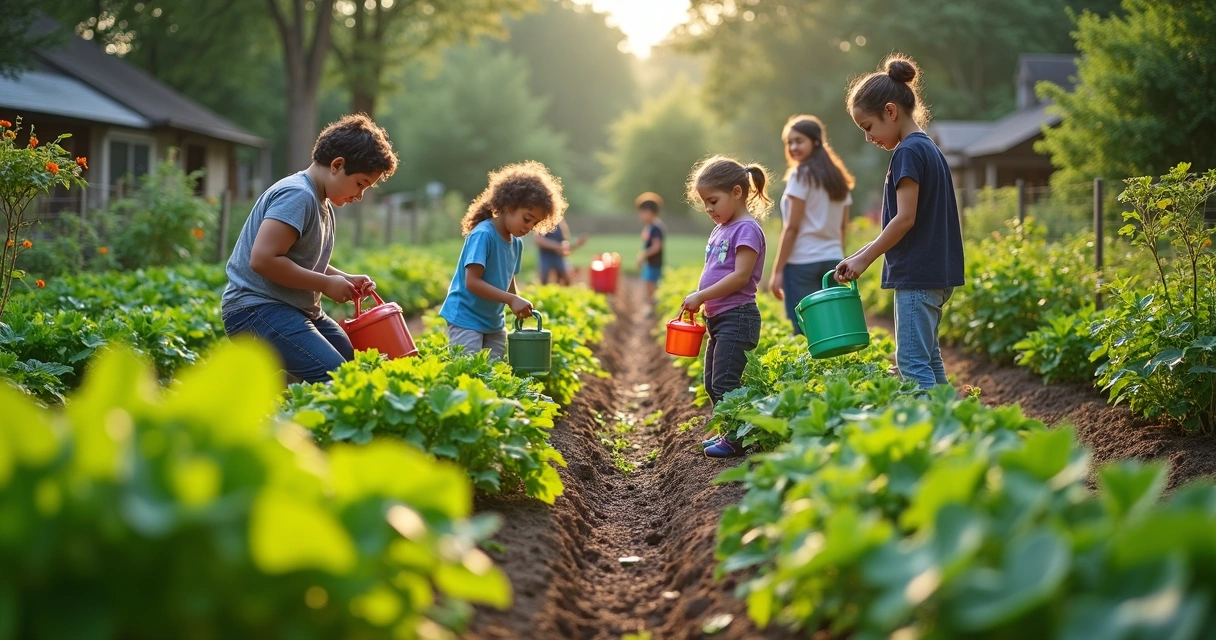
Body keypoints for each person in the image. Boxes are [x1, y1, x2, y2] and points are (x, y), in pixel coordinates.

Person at [222, 113, 397, 384]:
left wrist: (343, 278)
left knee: (354, 364)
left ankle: (275, 388)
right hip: (256, 309)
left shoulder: (322, 202)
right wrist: (325, 284)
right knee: (337, 378)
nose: (360, 195)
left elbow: (301, 259)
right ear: (337, 165)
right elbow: (264, 260)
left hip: (296, 310)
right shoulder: (298, 195)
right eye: (361, 184)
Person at [835, 54, 964, 391]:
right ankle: (953, 428)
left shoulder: (908, 152)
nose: (868, 137)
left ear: (890, 112)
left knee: (911, 364)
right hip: (935, 273)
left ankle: (929, 439)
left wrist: (865, 257)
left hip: (917, 276)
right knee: (930, 360)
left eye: (868, 127)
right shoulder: (929, 149)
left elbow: (904, 219)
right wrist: (857, 254)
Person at [679, 156, 770, 458]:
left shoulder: (746, 229)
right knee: (710, 382)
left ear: (736, 192)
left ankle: (737, 438)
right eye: (705, 203)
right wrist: (703, 300)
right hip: (718, 318)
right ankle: (727, 432)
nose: (709, 209)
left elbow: (740, 276)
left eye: (713, 201)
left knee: (725, 382)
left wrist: (702, 295)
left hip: (738, 316)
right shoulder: (722, 229)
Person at [439, 161, 568, 359]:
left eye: (535, 223)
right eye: (527, 218)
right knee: (470, 371)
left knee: (495, 373)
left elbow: (508, 278)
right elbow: (471, 282)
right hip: (466, 318)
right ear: (509, 206)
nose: (529, 227)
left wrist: (516, 301)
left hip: (493, 322)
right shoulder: (483, 235)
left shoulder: (516, 243)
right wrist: (511, 299)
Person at [769, 115, 855, 334]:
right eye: (789, 142)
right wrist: (838, 256)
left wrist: (777, 271)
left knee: (806, 330)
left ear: (816, 141)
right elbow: (843, 227)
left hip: (801, 263)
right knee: (834, 328)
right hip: (833, 261)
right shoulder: (839, 178)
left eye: (799, 140)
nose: (793, 147)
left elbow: (792, 228)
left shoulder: (800, 175)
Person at [634, 192, 666, 314]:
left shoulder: (656, 228)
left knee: (650, 286)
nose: (640, 216)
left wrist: (643, 255)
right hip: (651, 263)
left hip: (654, 263)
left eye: (641, 212)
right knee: (649, 285)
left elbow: (656, 246)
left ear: (649, 212)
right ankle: (652, 307)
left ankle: (652, 308)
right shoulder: (651, 227)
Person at [534, 220, 587, 285]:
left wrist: (577, 244)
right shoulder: (543, 221)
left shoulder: (561, 223)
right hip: (545, 256)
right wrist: (558, 246)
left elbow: (565, 243)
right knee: (544, 279)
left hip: (558, 256)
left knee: (565, 279)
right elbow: (539, 240)